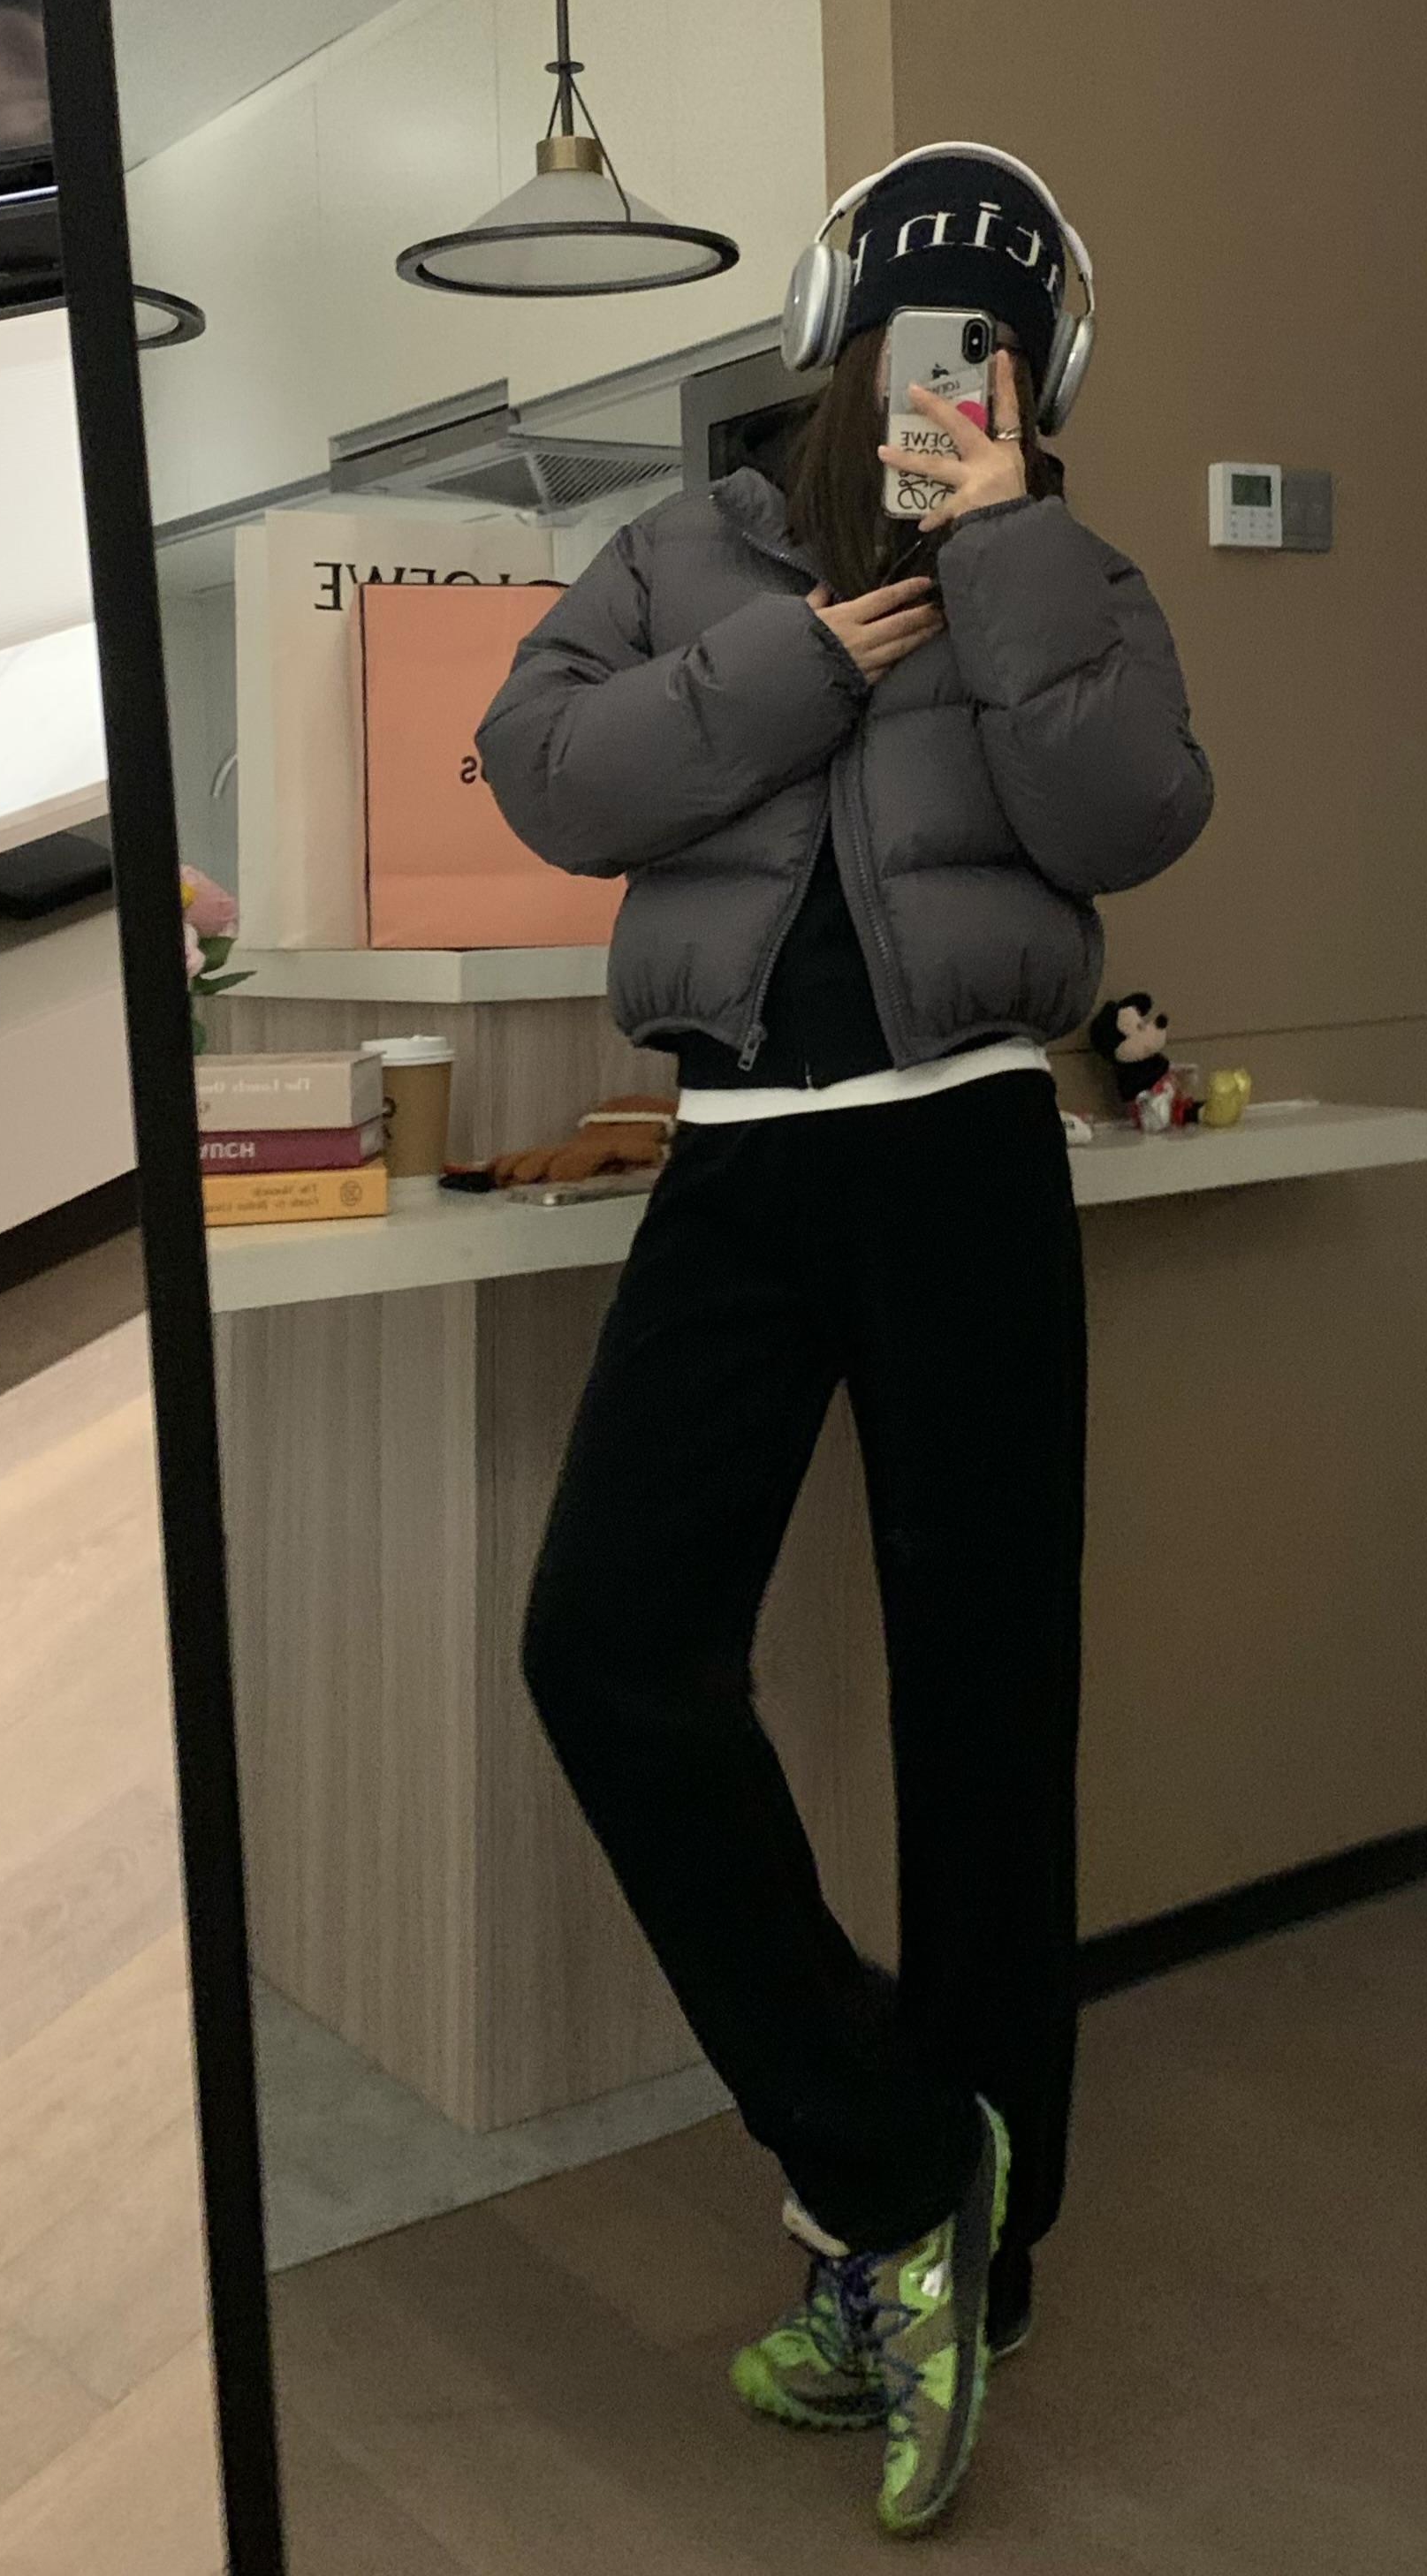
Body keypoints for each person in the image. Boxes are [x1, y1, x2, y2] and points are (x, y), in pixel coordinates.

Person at [476, 144, 1213, 2538]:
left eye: (992, 356)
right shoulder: (675, 553)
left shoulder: (1066, 569)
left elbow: (1131, 813)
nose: (944, 385)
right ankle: (900, 2170)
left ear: (1037, 377)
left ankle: (964, 2279)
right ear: (833, 340)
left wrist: (999, 558)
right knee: (607, 1646)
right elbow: (549, 779)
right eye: (917, 340)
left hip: (966, 1153)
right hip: (739, 1159)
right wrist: (814, 657)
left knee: (988, 1702)